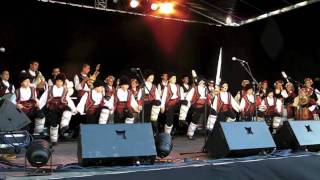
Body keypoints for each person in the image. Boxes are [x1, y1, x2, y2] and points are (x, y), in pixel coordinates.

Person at [39, 73, 77, 145]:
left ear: (63, 82)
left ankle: (64, 126)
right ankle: (54, 140)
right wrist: (39, 107)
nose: (59, 83)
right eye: (58, 81)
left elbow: (69, 100)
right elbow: (43, 99)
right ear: (56, 81)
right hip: (52, 108)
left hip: (62, 107)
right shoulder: (50, 89)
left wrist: (74, 109)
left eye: (61, 81)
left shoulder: (65, 90)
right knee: (54, 123)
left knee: (68, 109)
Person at [137, 69, 161, 134]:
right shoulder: (143, 85)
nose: (152, 77)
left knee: (152, 120)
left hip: (152, 105)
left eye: (153, 76)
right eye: (150, 76)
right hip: (144, 105)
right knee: (145, 119)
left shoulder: (154, 86)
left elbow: (157, 96)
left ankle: (152, 133)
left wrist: (158, 102)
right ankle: (143, 133)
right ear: (147, 77)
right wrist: (139, 105)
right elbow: (139, 96)